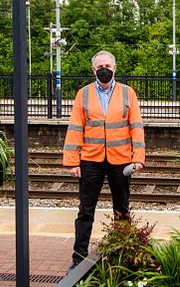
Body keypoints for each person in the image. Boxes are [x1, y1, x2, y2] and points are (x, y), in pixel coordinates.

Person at [63, 50, 146, 269]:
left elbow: (136, 127)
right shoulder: (83, 94)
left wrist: (138, 158)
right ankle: (78, 257)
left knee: (122, 209)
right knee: (85, 210)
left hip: (121, 161)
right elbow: (75, 127)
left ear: (115, 68)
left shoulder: (128, 93)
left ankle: (124, 253)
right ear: (93, 69)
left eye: (108, 66)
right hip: (91, 160)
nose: (104, 70)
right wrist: (72, 161)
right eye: (100, 66)